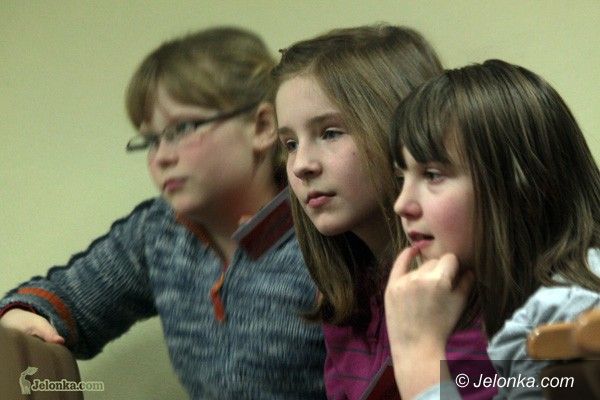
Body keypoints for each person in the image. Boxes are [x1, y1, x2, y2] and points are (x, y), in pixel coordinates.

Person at [0, 27, 326, 399]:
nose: (161, 157)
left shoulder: (325, 227)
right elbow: (66, 301)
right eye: (151, 140)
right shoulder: (159, 231)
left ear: (262, 126)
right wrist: (21, 315)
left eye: (181, 129)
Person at [272, 24, 497, 400]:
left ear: (400, 129)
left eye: (330, 133)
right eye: (291, 144)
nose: (301, 165)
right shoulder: (349, 298)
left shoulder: (475, 296)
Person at [386, 59, 600, 399]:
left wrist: (417, 352)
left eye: (433, 175)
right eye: (402, 178)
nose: (402, 204)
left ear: (523, 189)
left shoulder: (568, 314)